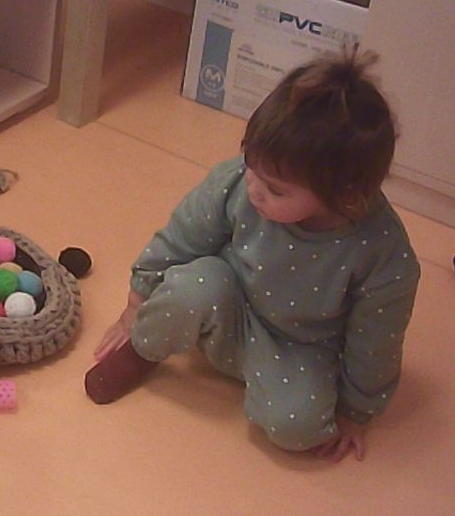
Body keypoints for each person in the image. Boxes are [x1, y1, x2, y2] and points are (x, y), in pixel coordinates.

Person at [85, 49, 419, 462]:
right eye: (251, 166)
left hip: (301, 347)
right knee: (191, 285)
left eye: (276, 189)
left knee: (300, 428)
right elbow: (181, 238)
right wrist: (137, 305)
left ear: (345, 197)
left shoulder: (382, 253)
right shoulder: (239, 183)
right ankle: (144, 351)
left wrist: (357, 411)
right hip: (225, 303)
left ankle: (266, 385)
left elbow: (376, 341)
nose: (255, 190)